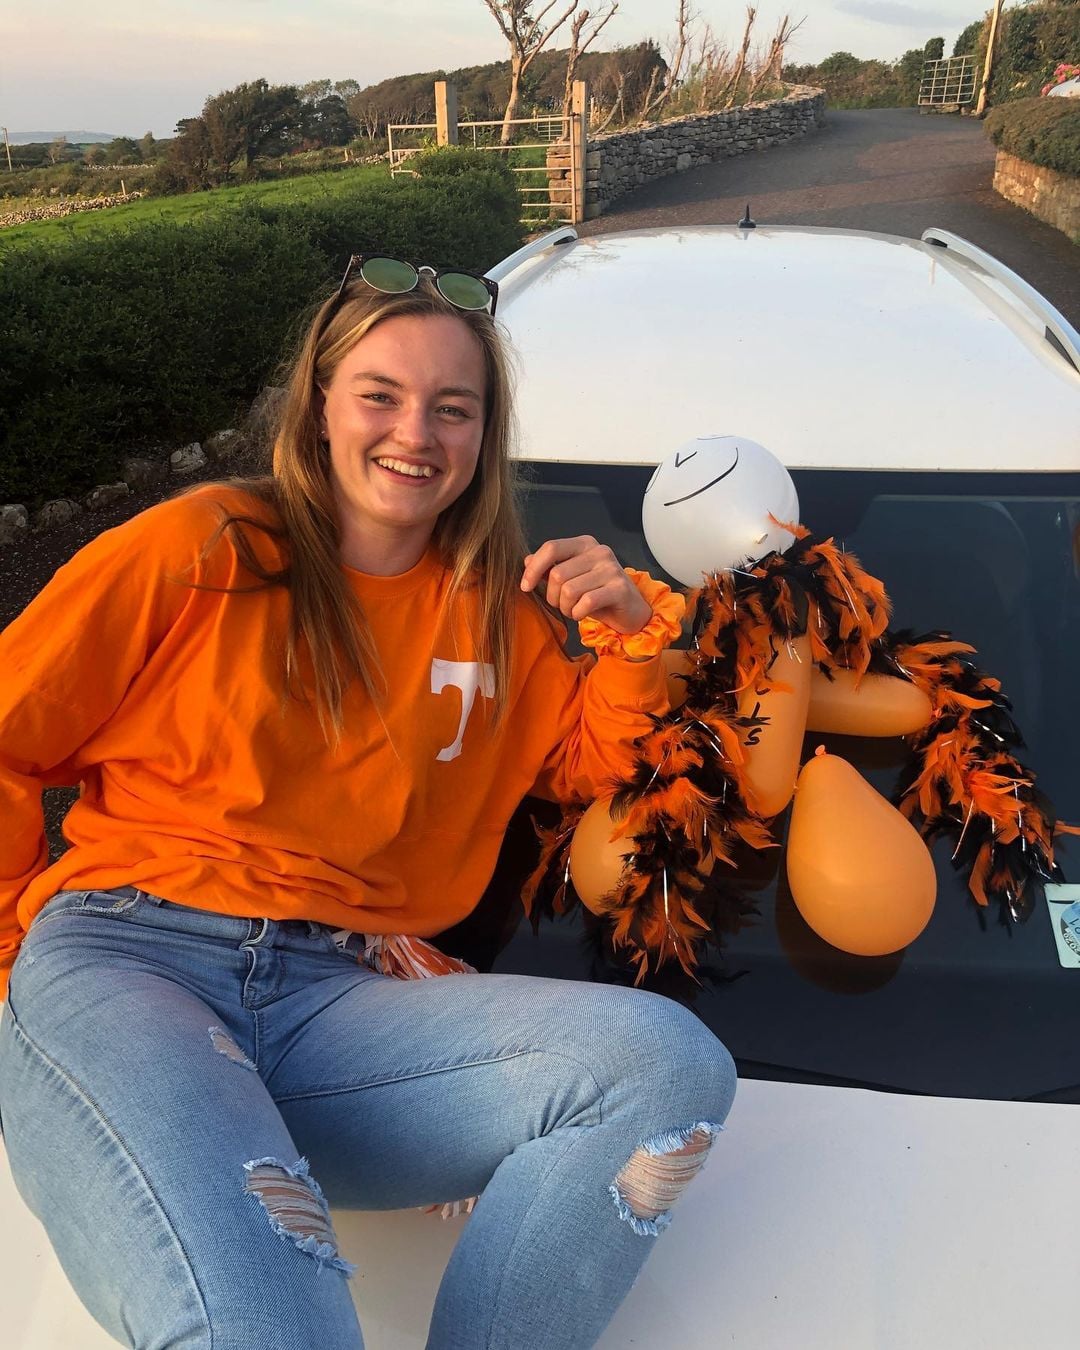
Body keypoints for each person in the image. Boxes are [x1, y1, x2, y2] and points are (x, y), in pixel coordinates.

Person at [0, 255, 736, 1350]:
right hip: (131, 964)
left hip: (336, 1008)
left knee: (669, 1066)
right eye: (380, 395)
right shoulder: (207, 546)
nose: (416, 433)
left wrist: (630, 635)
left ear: (483, 435)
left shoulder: (498, 616)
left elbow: (585, 766)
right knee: (271, 1326)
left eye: (453, 407)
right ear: (320, 406)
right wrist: (15, 957)